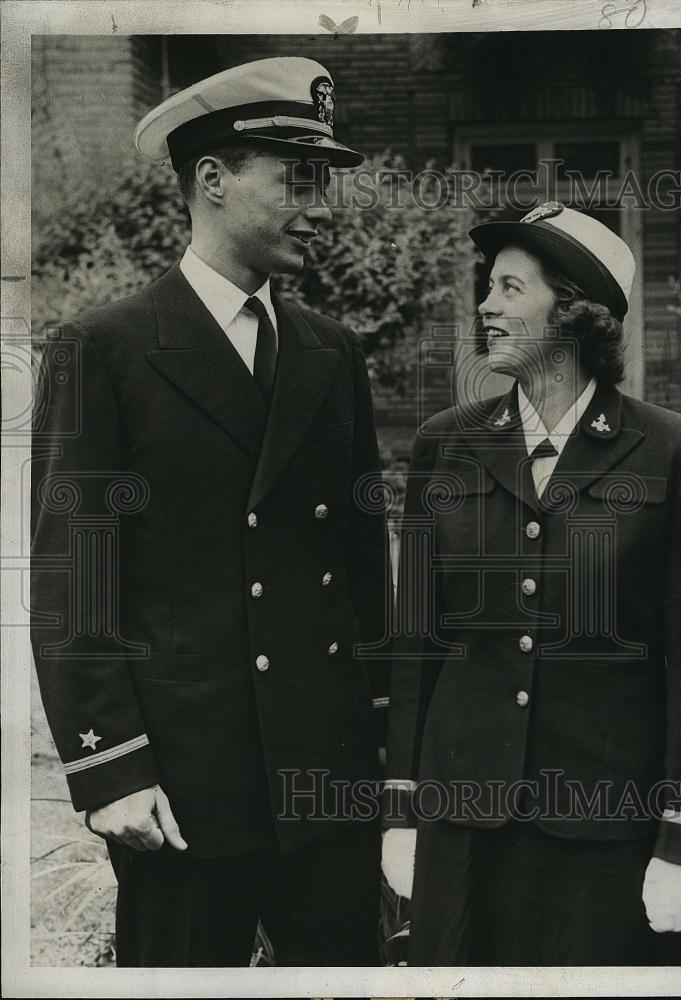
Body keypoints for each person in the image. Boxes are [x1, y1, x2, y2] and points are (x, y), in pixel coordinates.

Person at [31, 57, 390, 968]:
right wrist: (109, 767)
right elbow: (75, 576)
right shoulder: (102, 350)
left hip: (328, 778)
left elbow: (361, 568)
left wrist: (388, 746)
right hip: (184, 790)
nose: (316, 205)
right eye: (294, 180)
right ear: (212, 181)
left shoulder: (330, 352)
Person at [383, 202, 681, 966]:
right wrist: (402, 810)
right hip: (464, 826)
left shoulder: (675, 454)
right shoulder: (445, 445)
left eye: (510, 287)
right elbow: (416, 641)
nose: (486, 304)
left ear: (574, 312)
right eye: (488, 285)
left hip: (606, 833)